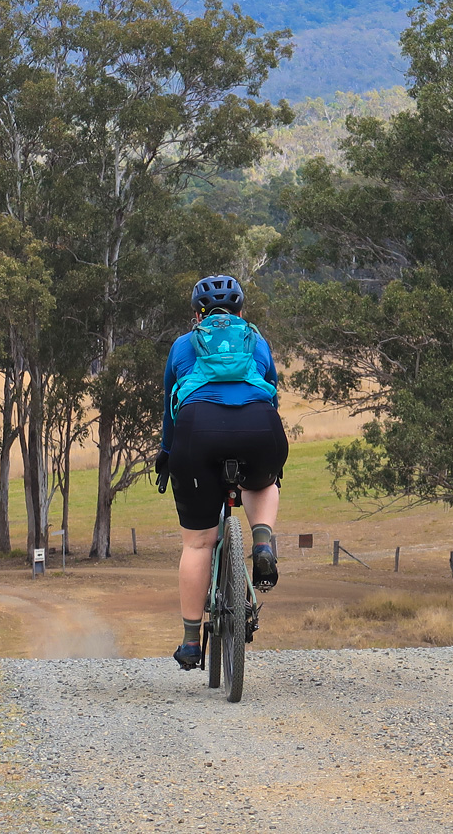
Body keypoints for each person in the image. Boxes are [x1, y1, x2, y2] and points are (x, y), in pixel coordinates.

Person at [155, 273, 287, 670]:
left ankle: (191, 641)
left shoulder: (182, 346)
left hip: (198, 432)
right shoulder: (257, 341)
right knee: (264, 481)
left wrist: (167, 454)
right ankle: (262, 543)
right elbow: (271, 394)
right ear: (241, 311)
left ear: (197, 316)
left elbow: (170, 411)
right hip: (260, 428)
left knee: (198, 543)